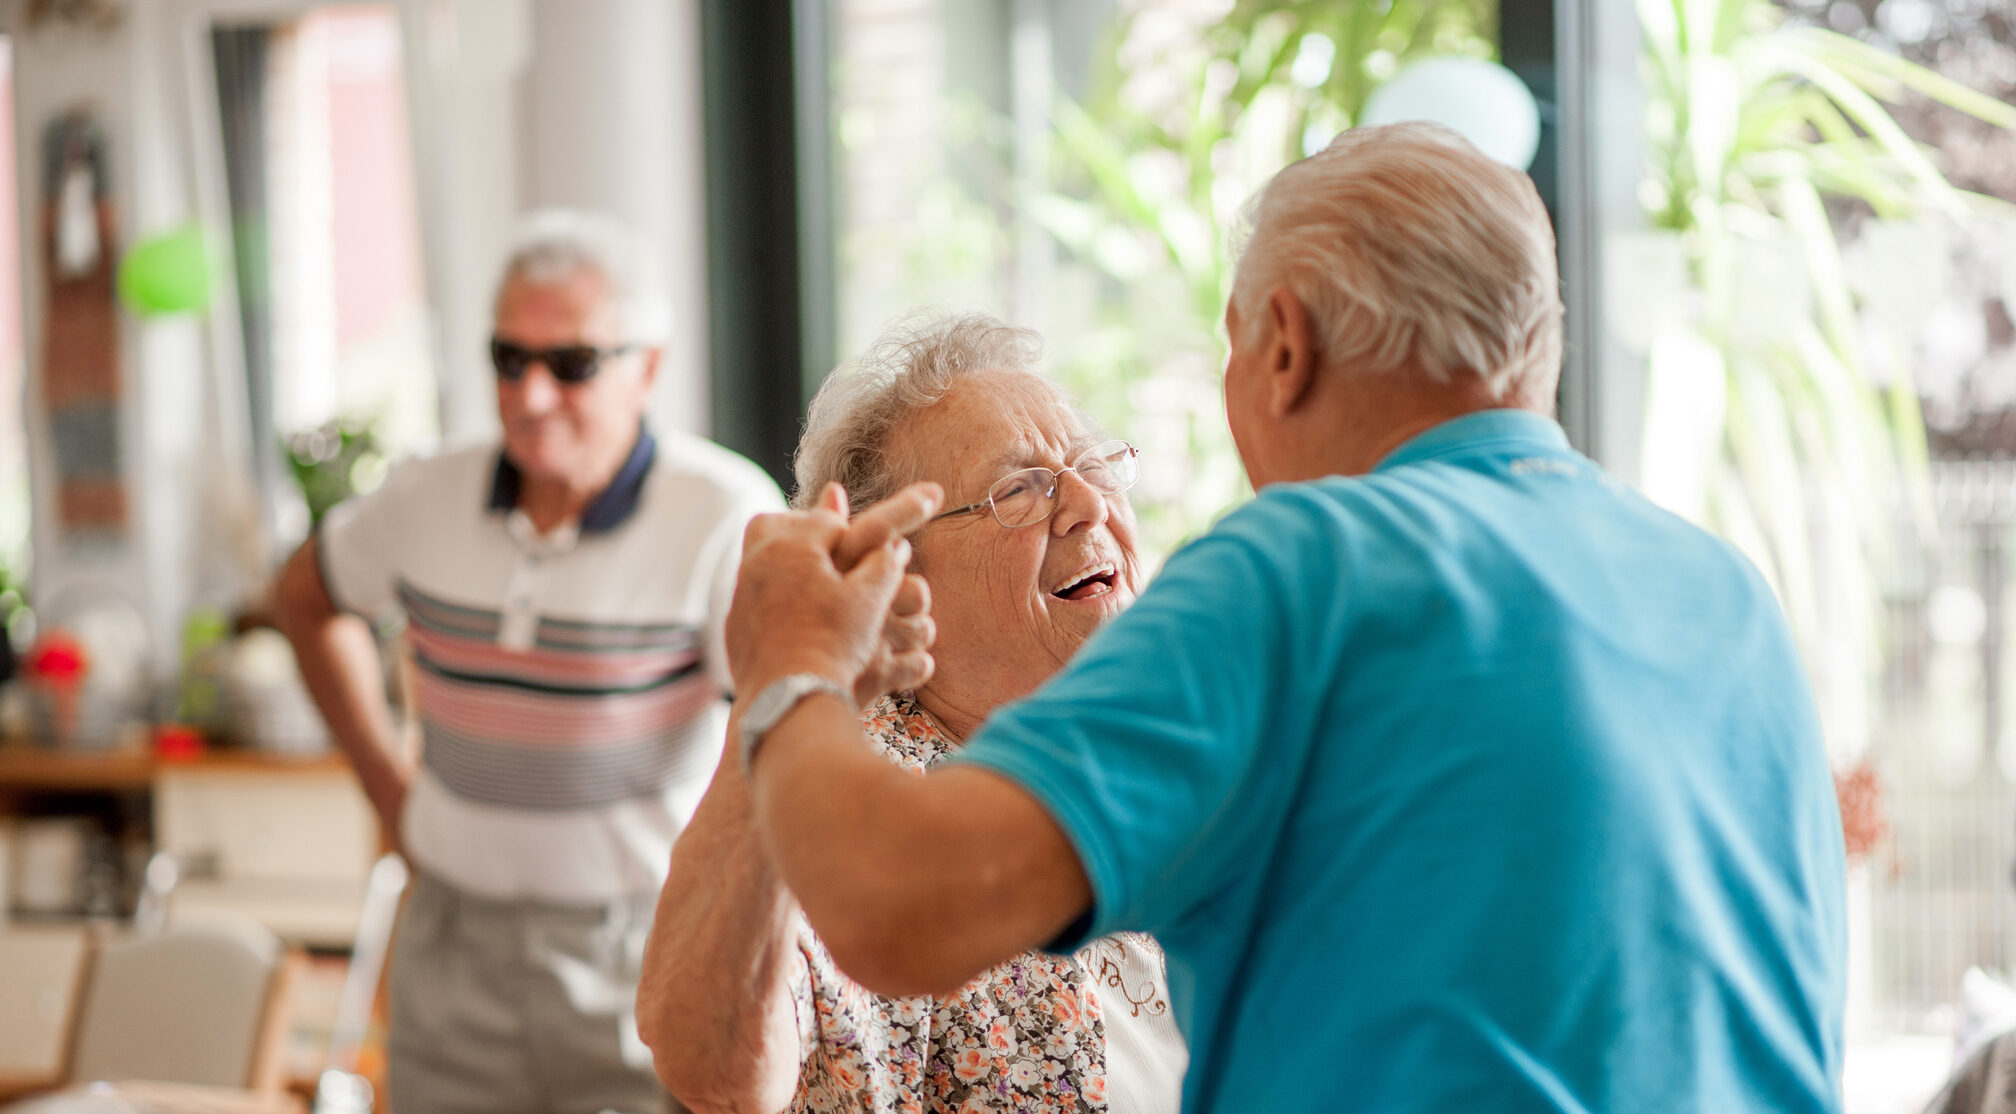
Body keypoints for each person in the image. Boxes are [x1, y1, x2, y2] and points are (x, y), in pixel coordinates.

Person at [717, 123, 1848, 1113]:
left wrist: (793, 667)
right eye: (1020, 485)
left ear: (1286, 347)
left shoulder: (1304, 574)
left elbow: (892, 907)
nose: (1087, 501)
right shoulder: (1728, 595)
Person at [273, 210, 783, 1114]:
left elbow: (781, 729)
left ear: (649, 369)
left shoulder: (723, 513)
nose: (532, 393)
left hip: (638, 951)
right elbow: (302, 598)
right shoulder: (426, 493)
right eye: (510, 359)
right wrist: (387, 786)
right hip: (452, 946)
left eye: (572, 363)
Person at [636, 313, 1188, 1114]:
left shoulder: (1176, 730)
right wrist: (779, 687)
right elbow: (716, 1069)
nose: (1084, 507)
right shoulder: (865, 793)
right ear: (897, 580)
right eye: (1019, 490)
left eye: (1093, 466)